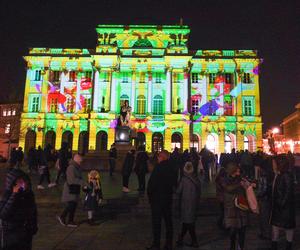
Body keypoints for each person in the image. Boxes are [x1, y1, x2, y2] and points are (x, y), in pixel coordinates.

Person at [0, 168, 37, 250]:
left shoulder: (29, 194)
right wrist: (14, 195)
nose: (23, 184)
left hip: (26, 234)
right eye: (19, 182)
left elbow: (33, 211)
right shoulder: (7, 195)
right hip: (11, 235)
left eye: (24, 181)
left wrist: (33, 227)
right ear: (12, 183)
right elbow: (3, 214)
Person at [147, 150, 176, 250]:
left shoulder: (158, 168)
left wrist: (150, 196)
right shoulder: (172, 168)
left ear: (163, 157)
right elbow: (174, 183)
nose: (158, 158)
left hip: (157, 200)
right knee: (168, 222)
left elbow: (151, 184)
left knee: (157, 223)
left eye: (159, 156)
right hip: (167, 199)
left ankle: (156, 244)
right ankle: (168, 244)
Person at [270, 155, 296, 250]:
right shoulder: (278, 174)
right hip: (278, 208)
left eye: (274, 163)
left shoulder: (286, 175)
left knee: (288, 231)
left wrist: (280, 204)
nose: (272, 165)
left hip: (285, 210)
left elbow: (288, 193)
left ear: (279, 164)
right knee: (275, 232)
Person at [223, 162, 250, 250]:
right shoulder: (226, 179)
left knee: (242, 231)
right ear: (233, 170)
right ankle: (232, 247)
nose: (239, 170)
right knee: (233, 232)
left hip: (241, 209)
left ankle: (240, 247)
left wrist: (248, 185)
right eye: (237, 169)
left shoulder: (240, 178)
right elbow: (228, 189)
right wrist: (240, 185)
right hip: (232, 210)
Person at [176, 162, 201, 248]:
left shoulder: (184, 179)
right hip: (194, 203)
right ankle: (182, 239)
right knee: (189, 222)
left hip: (185, 203)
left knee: (188, 223)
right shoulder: (196, 179)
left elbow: (179, 191)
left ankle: (192, 241)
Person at [57, 154, 84, 227]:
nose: (81, 161)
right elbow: (71, 180)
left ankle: (70, 221)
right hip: (70, 189)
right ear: (76, 159)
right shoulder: (71, 167)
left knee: (73, 205)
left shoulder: (77, 167)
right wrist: (82, 182)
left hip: (74, 189)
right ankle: (63, 217)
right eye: (80, 159)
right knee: (71, 205)